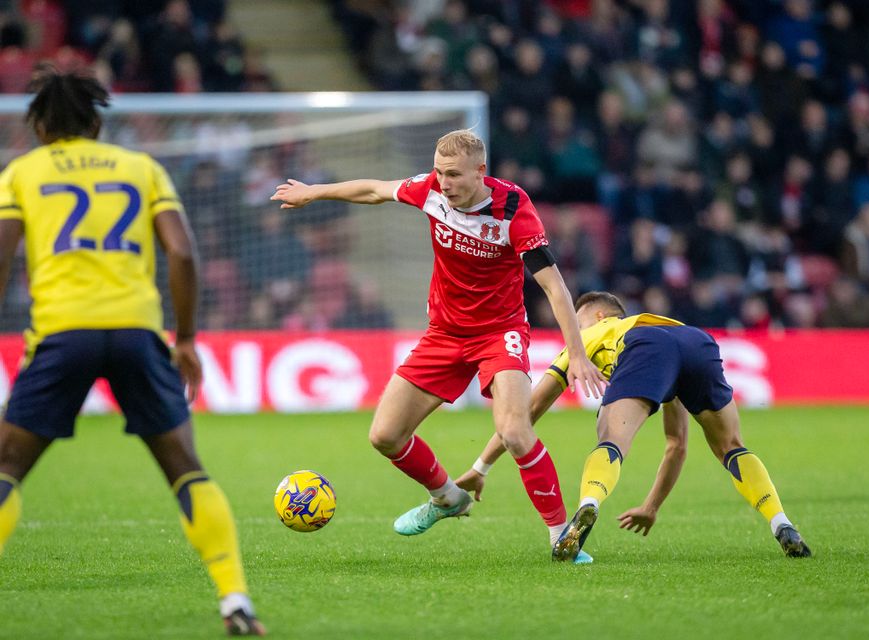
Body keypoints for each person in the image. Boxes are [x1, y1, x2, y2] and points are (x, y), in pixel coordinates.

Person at [0, 68, 265, 636]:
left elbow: (0, 257)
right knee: (184, 467)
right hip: (137, 333)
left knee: (7, 467)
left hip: (61, 333)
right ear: (97, 122)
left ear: (41, 126)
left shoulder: (21, 172)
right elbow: (182, 252)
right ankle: (235, 599)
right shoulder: (141, 168)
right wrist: (187, 337)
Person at [271, 129, 605, 557]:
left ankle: (563, 537)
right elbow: (374, 190)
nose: (443, 183)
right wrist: (314, 193)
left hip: (498, 334)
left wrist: (576, 352)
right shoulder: (429, 190)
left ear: (480, 172)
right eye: (438, 172)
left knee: (515, 431)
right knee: (385, 435)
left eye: (452, 174)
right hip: (444, 334)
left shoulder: (513, 208)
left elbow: (555, 287)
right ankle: (448, 497)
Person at [456, 291, 812, 561]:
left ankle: (589, 503)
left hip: (644, 349)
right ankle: (780, 521)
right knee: (732, 446)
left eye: (577, 324)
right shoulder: (657, 323)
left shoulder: (592, 335)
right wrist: (651, 507)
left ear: (596, 317)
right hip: (696, 341)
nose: (574, 333)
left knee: (610, 437)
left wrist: (481, 465)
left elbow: (528, 410)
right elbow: (677, 444)